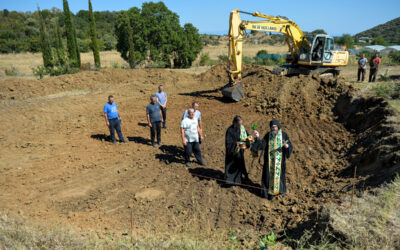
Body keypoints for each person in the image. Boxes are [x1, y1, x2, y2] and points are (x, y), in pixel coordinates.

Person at [252, 120, 293, 200]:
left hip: (279, 161)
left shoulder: (284, 135)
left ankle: (281, 191)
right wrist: (258, 137)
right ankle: (268, 194)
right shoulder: (268, 135)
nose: (274, 129)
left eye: (275, 127)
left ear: (278, 127)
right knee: (268, 176)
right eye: (272, 127)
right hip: (269, 161)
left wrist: (287, 146)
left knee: (280, 176)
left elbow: (289, 145)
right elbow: (262, 145)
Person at [225, 116, 250, 186]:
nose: (240, 126)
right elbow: (228, 143)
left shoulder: (242, 128)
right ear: (234, 123)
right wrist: (236, 143)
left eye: (241, 124)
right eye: (239, 124)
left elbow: (246, 136)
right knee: (231, 166)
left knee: (241, 165)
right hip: (232, 152)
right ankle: (230, 181)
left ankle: (240, 179)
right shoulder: (229, 130)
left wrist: (250, 138)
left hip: (240, 152)